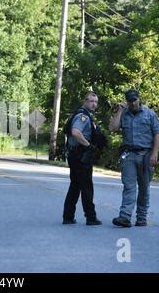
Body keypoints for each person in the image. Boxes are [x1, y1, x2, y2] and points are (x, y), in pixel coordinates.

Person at [109, 89, 159, 227]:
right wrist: (120, 111)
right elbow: (113, 128)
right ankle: (125, 217)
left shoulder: (149, 114)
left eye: (134, 100)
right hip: (129, 155)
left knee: (144, 188)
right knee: (129, 186)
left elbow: (158, 133)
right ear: (126, 102)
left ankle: (141, 217)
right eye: (130, 101)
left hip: (146, 155)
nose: (133, 103)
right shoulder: (124, 114)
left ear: (139, 99)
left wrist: (154, 153)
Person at [63, 92, 102, 226]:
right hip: (80, 156)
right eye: (91, 101)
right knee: (86, 187)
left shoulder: (82, 114)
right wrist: (89, 146)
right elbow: (75, 132)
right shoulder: (83, 116)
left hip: (76, 155)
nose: (94, 104)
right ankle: (91, 217)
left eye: (96, 102)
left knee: (75, 186)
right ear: (85, 101)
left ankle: (68, 216)